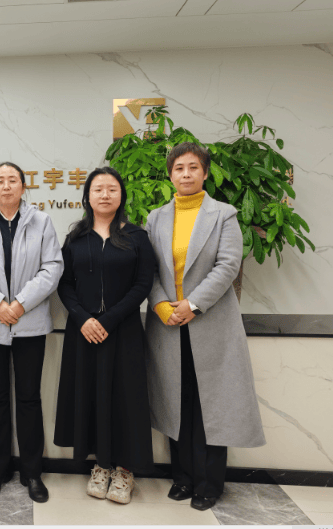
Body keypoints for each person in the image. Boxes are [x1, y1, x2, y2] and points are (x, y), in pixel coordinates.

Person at [145, 142, 265, 511]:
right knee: (176, 402)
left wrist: (193, 304)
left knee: (210, 405)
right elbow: (147, 269)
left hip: (210, 323)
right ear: (170, 175)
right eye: (179, 168)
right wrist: (162, 305)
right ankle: (182, 478)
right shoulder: (155, 218)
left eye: (193, 167)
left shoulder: (224, 214)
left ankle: (209, 484)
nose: (186, 174)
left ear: (205, 173)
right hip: (168, 325)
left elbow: (228, 265)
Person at [0, 162, 63, 503]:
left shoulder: (41, 222)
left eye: (12, 180)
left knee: (30, 398)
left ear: (23, 186)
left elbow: (52, 268)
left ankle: (32, 473)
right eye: (0, 181)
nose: (6, 186)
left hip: (30, 324)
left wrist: (19, 304)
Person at [53, 167, 155, 505]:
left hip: (123, 330)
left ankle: (125, 470)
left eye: (112, 189)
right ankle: (101, 465)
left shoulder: (137, 236)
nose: (105, 194)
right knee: (91, 396)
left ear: (121, 195)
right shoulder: (75, 237)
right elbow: (64, 284)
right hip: (83, 332)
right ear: (87, 196)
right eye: (98, 189)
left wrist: (108, 319)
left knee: (125, 398)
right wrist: (83, 318)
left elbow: (143, 284)